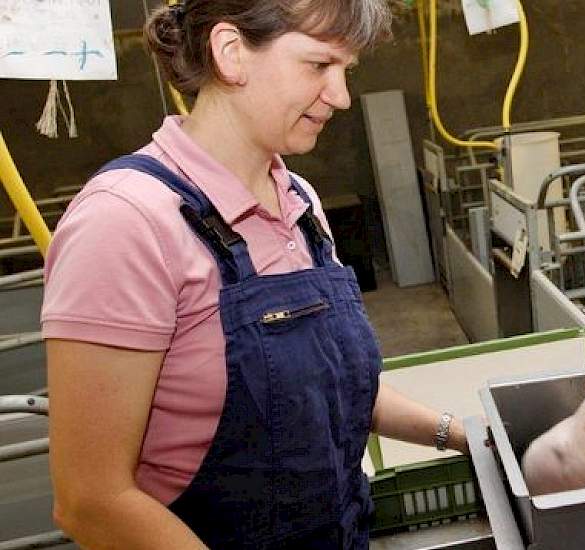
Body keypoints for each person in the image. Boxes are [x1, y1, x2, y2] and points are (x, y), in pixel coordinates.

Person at [41, 2, 467, 548]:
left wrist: (461, 435)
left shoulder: (300, 202)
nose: (340, 96)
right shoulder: (125, 222)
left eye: (346, 71)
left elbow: (332, 386)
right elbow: (91, 502)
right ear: (231, 52)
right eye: (318, 66)